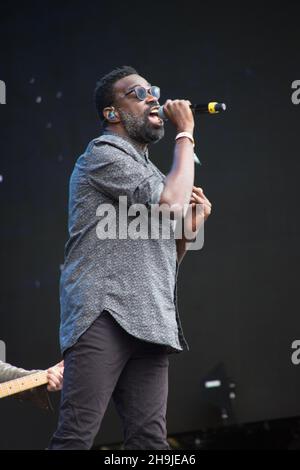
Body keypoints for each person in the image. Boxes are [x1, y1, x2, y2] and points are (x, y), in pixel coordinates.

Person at [49, 65, 212, 450]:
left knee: (150, 444)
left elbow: (166, 257)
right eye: (138, 94)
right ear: (112, 113)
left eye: (153, 89)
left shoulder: (151, 174)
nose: (153, 97)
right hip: (103, 314)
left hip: (150, 319)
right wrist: (185, 133)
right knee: (75, 438)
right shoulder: (103, 154)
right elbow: (171, 202)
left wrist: (193, 225)